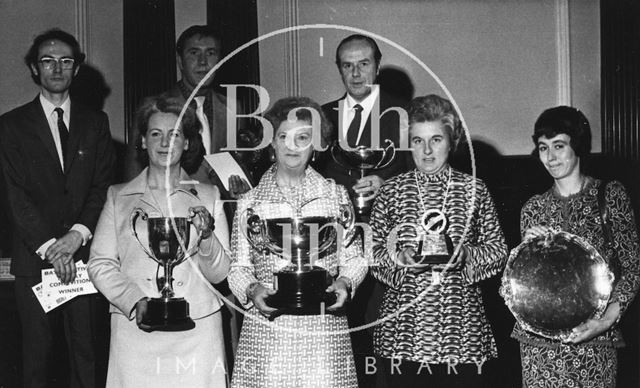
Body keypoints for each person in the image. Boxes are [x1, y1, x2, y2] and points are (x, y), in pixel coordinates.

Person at [87, 95, 231, 387]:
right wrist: (133, 299)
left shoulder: (209, 195)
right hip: (136, 333)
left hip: (197, 331)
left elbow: (220, 273)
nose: (165, 143)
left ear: (187, 143)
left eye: (175, 134)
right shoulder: (118, 197)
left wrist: (206, 237)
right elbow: (100, 263)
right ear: (142, 141)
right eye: (156, 134)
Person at [0, 29, 115, 388]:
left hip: (83, 258)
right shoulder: (10, 125)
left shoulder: (96, 123)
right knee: (37, 358)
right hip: (36, 260)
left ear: (76, 69)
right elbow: (14, 195)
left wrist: (75, 237)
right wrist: (53, 246)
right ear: (34, 69)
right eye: (47, 60)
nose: (57, 68)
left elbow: (102, 187)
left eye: (66, 60)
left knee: (87, 356)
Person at [228, 97, 367, 387]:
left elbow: (354, 258)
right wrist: (253, 290)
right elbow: (238, 268)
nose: (292, 146)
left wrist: (344, 284)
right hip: (268, 335)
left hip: (323, 334)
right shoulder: (249, 203)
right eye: (283, 136)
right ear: (272, 144)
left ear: (315, 146)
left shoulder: (336, 196)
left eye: (302, 137)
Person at [369, 94, 507, 387]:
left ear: (452, 141)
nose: (427, 150)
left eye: (436, 139)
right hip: (404, 337)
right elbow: (372, 253)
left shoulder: (474, 190)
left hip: (463, 336)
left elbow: (498, 250)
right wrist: (399, 258)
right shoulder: (391, 191)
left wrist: (466, 255)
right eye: (418, 141)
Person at [510, 106, 640, 387]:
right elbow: (523, 283)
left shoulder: (609, 196)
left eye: (559, 146)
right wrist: (526, 251)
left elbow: (633, 269)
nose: (550, 157)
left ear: (577, 145)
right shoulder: (532, 209)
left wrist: (604, 322)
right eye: (543, 147)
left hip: (595, 341)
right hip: (539, 346)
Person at [312, 34, 411, 386]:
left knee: (384, 336)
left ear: (378, 65)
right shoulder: (322, 117)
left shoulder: (404, 115)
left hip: (390, 242)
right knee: (342, 335)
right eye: (347, 65)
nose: (356, 73)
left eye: (364, 63)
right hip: (337, 244)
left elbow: (423, 174)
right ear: (339, 68)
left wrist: (388, 184)